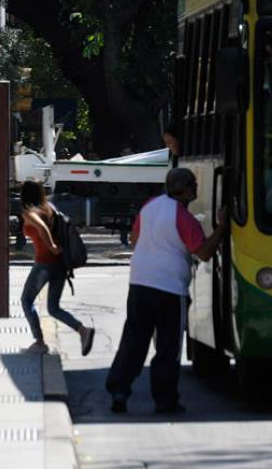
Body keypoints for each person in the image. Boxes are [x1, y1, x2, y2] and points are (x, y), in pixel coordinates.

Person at [105, 168, 228, 414]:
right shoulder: (184, 217)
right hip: (169, 287)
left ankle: (119, 390)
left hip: (139, 282)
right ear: (186, 189)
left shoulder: (150, 205)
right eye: (194, 185)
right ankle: (165, 399)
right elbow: (203, 252)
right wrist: (222, 228)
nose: (196, 189)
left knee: (134, 340)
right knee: (168, 346)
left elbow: (134, 238)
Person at [18, 180, 95, 356]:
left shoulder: (30, 212)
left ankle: (39, 343)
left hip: (44, 262)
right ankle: (83, 331)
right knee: (53, 308)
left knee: (26, 300)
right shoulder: (49, 208)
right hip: (59, 263)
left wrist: (51, 245)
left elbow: (42, 227)